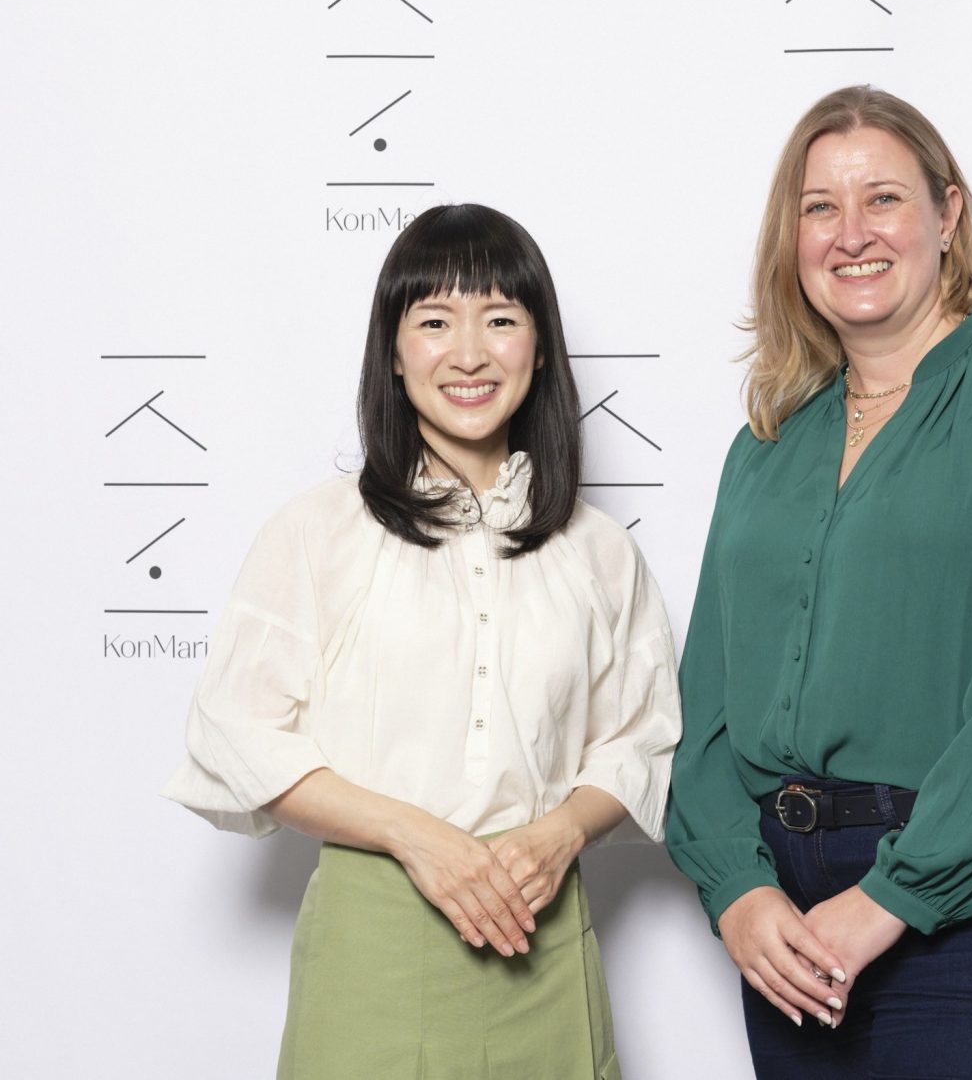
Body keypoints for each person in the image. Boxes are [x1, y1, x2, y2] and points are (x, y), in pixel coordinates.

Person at [666, 86, 972, 1079]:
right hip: (789, 919)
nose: (851, 233)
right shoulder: (766, 444)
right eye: (819, 207)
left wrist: (894, 895)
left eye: (882, 198)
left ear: (947, 214)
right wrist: (735, 887)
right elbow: (706, 707)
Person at [164, 203, 680, 1080]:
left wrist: (559, 833)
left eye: (500, 320)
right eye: (435, 321)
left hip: (544, 936)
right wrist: (415, 835)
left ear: (541, 349)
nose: (469, 353)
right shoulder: (316, 532)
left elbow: (643, 738)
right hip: (374, 942)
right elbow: (234, 733)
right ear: (394, 353)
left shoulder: (599, 551)